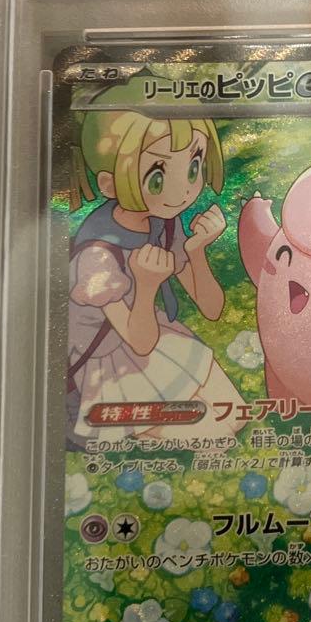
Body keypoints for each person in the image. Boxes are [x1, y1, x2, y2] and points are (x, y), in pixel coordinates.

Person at [66, 109, 244, 446]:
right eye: (158, 178)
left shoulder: (163, 221)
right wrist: (147, 287)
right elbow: (140, 342)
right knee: (216, 437)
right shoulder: (97, 256)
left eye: (193, 167)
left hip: (150, 333)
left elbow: (211, 309)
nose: (182, 191)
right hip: (110, 360)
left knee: (235, 416)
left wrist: (196, 251)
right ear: (109, 184)